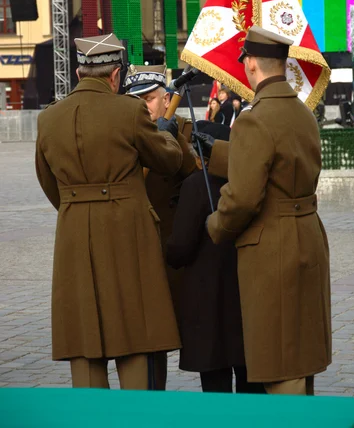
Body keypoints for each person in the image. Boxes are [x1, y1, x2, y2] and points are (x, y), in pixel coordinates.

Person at [35, 34, 182, 390]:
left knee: (85, 346)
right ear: (115, 76)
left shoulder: (49, 119)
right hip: (127, 235)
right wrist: (166, 134)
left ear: (77, 72)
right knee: (134, 339)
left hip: (73, 238)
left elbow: (47, 180)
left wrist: (78, 209)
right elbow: (169, 161)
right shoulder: (130, 111)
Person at [205, 25, 332, 396]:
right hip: (307, 235)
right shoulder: (302, 113)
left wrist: (216, 225)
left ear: (251, 64)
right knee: (301, 354)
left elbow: (244, 197)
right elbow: (282, 162)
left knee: (280, 361)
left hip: (272, 247)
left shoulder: (253, 118)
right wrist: (218, 153)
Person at [166, 121, 264, 394]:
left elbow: (181, 245)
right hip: (245, 292)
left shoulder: (196, 186)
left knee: (215, 385)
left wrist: (168, 254)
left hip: (207, 297)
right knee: (251, 380)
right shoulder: (248, 183)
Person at [124, 65, 197, 389]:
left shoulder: (183, 129)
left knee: (173, 332)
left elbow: (193, 175)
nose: (144, 106)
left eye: (150, 99)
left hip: (172, 249)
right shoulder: (124, 131)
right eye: (136, 99)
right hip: (134, 246)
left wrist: (169, 139)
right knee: (141, 336)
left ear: (166, 98)